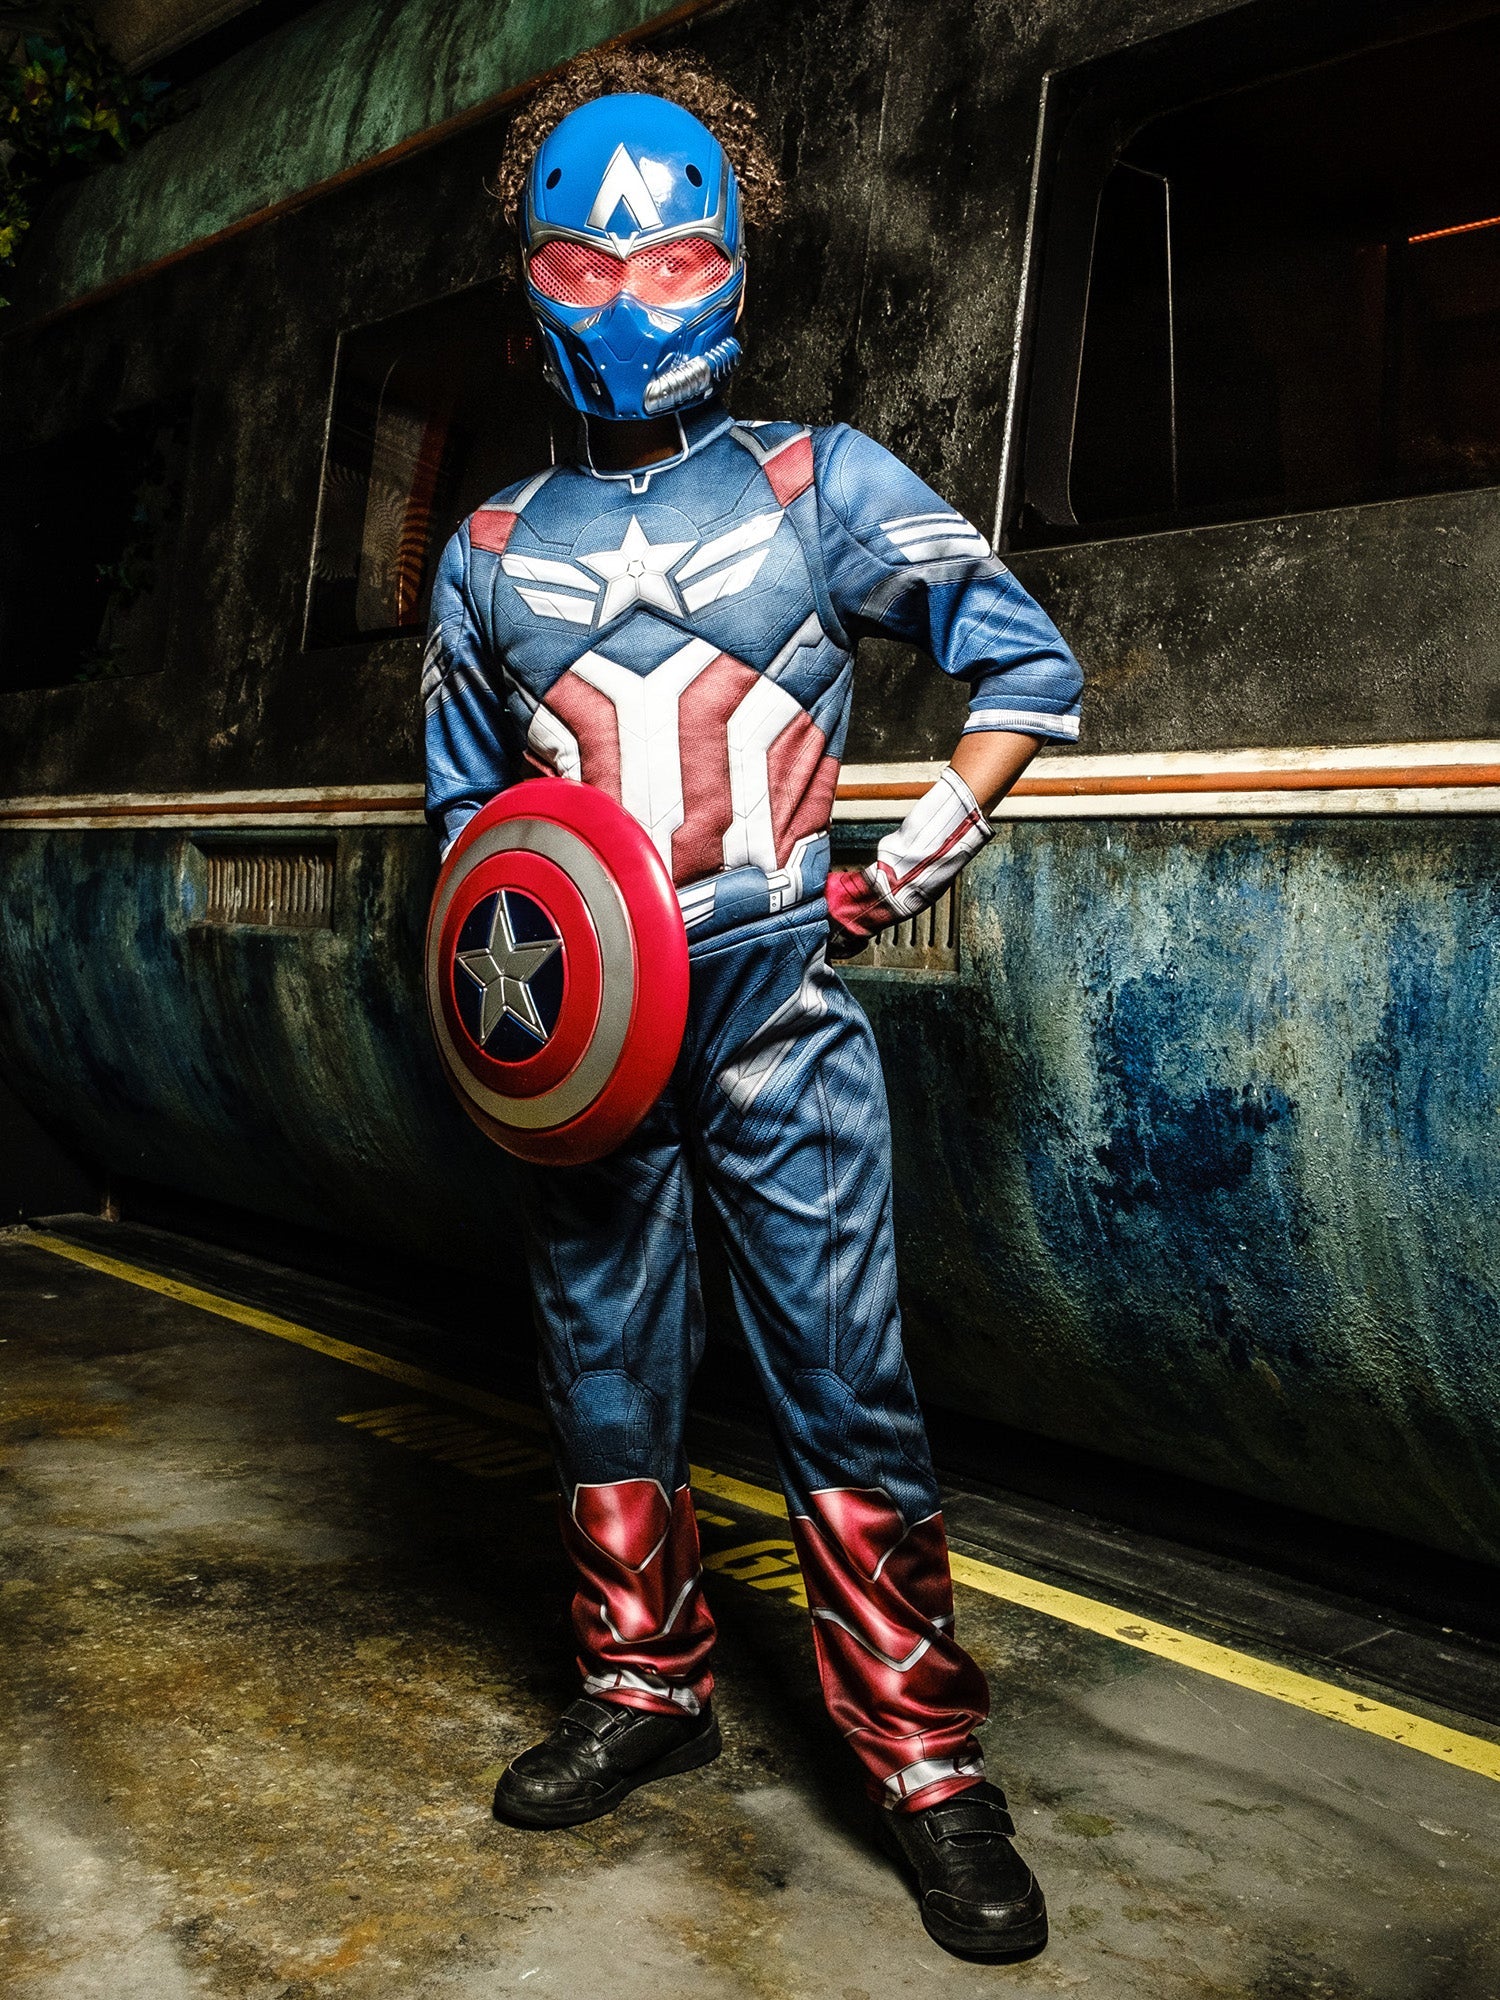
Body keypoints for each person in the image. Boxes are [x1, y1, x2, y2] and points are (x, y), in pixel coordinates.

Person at [422, 50, 1082, 1962]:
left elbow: (1027, 669)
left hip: (780, 1010)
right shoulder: (485, 554)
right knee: (599, 1365)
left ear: (737, 258)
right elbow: (473, 845)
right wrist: (525, 1043)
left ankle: (924, 1762)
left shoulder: (819, 483)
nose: (630, 305)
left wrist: (898, 869)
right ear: (529, 280)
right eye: (582, 266)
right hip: (588, 1051)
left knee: (841, 1375)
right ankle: (642, 1687)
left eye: (676, 259)